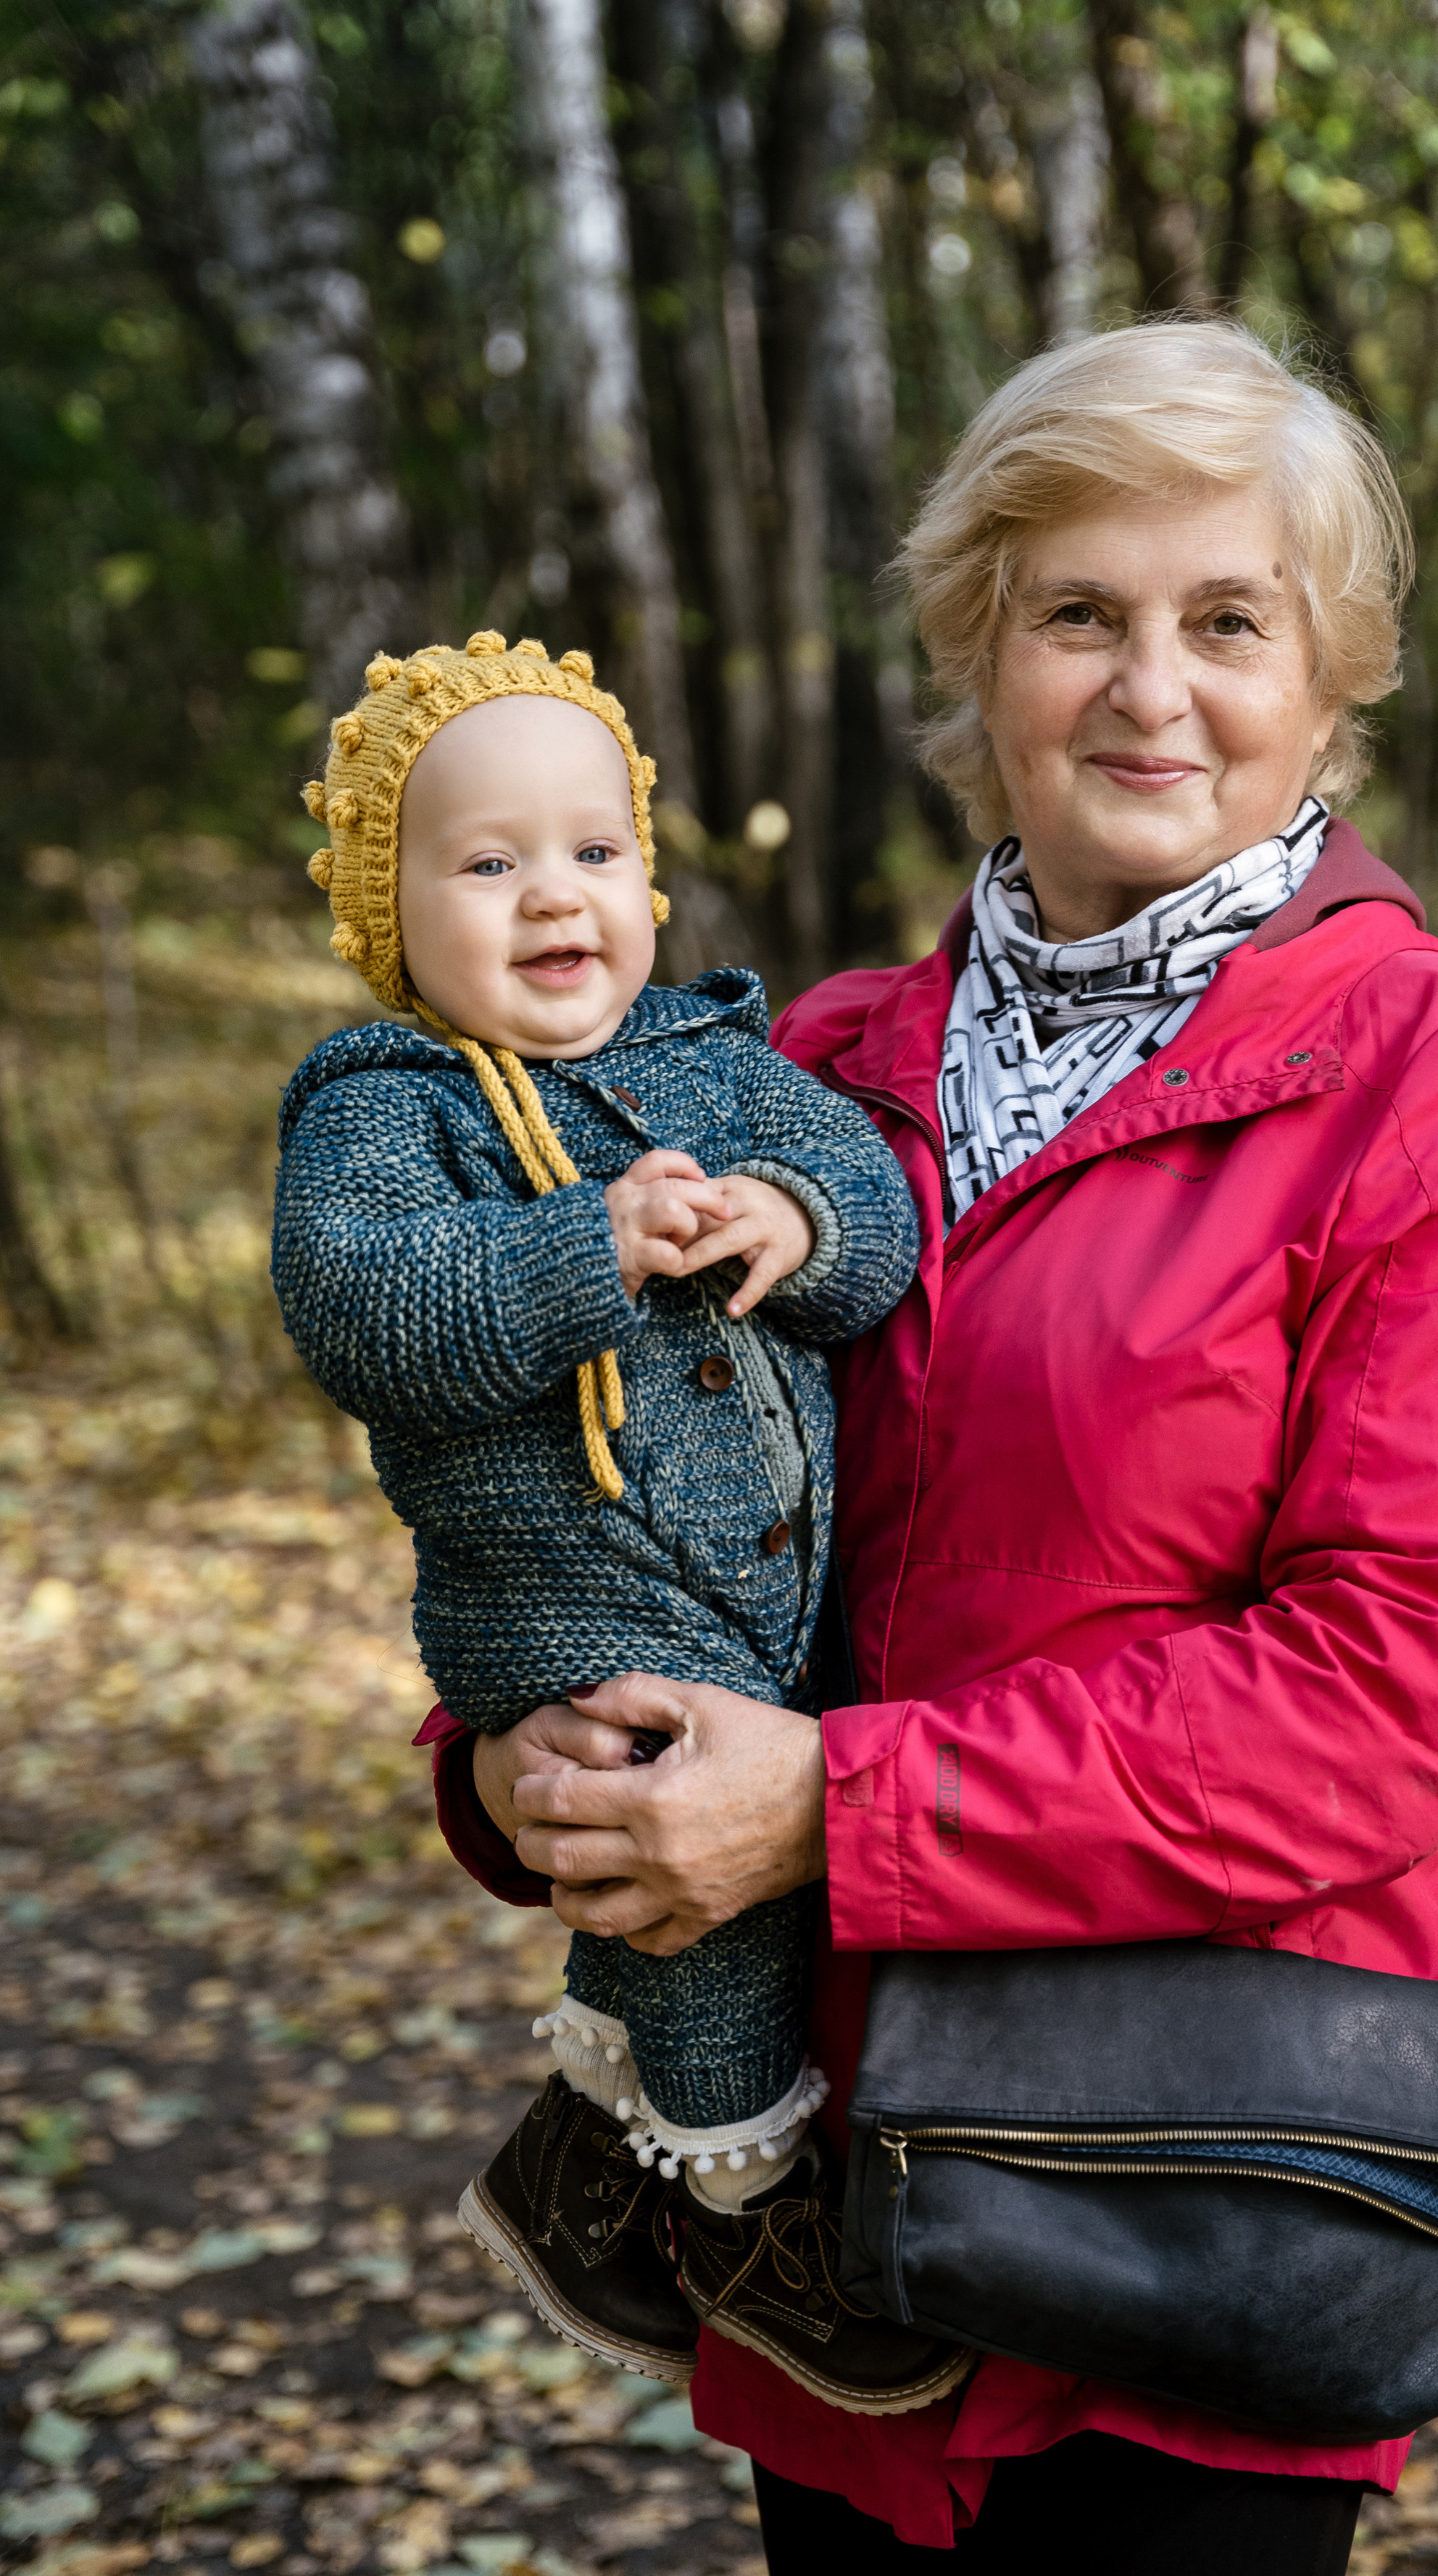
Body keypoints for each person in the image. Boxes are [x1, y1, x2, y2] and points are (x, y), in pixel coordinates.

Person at [428, 325, 1438, 2576]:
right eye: (1080, 612)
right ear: (981, 646)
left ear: (1332, 677)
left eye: (1229, 620)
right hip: (830, 2185)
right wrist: (525, 1752)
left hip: (1198, 2164)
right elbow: (614, 1494)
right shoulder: (807, 1068)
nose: (1151, 688)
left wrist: (829, 1809)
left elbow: (1390, 1696)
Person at [272, 629, 965, 2416]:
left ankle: (584, 2167)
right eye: (487, 864)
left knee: (720, 1863)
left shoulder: (721, 1058)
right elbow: (366, 1314)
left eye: (592, 851)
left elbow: (879, 1223)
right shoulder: (383, 1108)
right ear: (391, 908)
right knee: (693, 1880)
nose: (551, 895)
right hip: (558, 1594)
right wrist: (580, 1244)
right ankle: (742, 2203)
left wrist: (800, 1231)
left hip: (765, 1585)